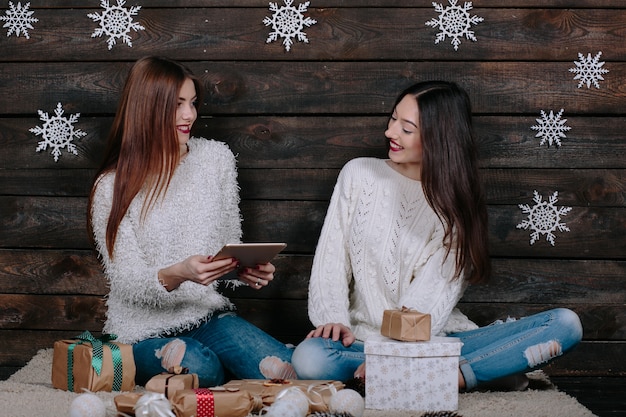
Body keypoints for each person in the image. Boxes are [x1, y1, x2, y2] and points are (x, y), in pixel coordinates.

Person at [291, 81, 583, 391]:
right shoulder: (359, 173)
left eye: (407, 128)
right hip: (360, 342)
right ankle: (486, 371)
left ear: (437, 138)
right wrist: (333, 319)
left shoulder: (455, 209)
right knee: (310, 359)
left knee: (565, 324)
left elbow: (426, 305)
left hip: (434, 342)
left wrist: (394, 357)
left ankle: (451, 377)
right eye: (393, 119)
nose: (391, 133)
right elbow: (332, 256)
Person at [87, 56, 295, 387]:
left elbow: (226, 249)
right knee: (203, 367)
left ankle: (191, 366)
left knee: (282, 367)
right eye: (178, 104)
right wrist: (178, 272)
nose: (190, 115)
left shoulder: (217, 159)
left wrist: (244, 271)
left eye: (193, 103)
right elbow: (127, 282)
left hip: (207, 317)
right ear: (148, 109)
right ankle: (178, 363)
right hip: (142, 330)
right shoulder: (111, 186)